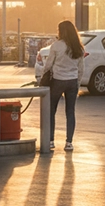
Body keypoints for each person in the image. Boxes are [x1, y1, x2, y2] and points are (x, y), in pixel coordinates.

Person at [42, 20, 85, 151]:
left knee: (51, 110)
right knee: (70, 112)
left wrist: (43, 77)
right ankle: (69, 142)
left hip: (57, 80)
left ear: (61, 31)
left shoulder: (56, 46)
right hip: (72, 81)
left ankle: (50, 140)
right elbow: (81, 69)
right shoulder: (78, 47)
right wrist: (77, 83)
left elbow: (48, 65)